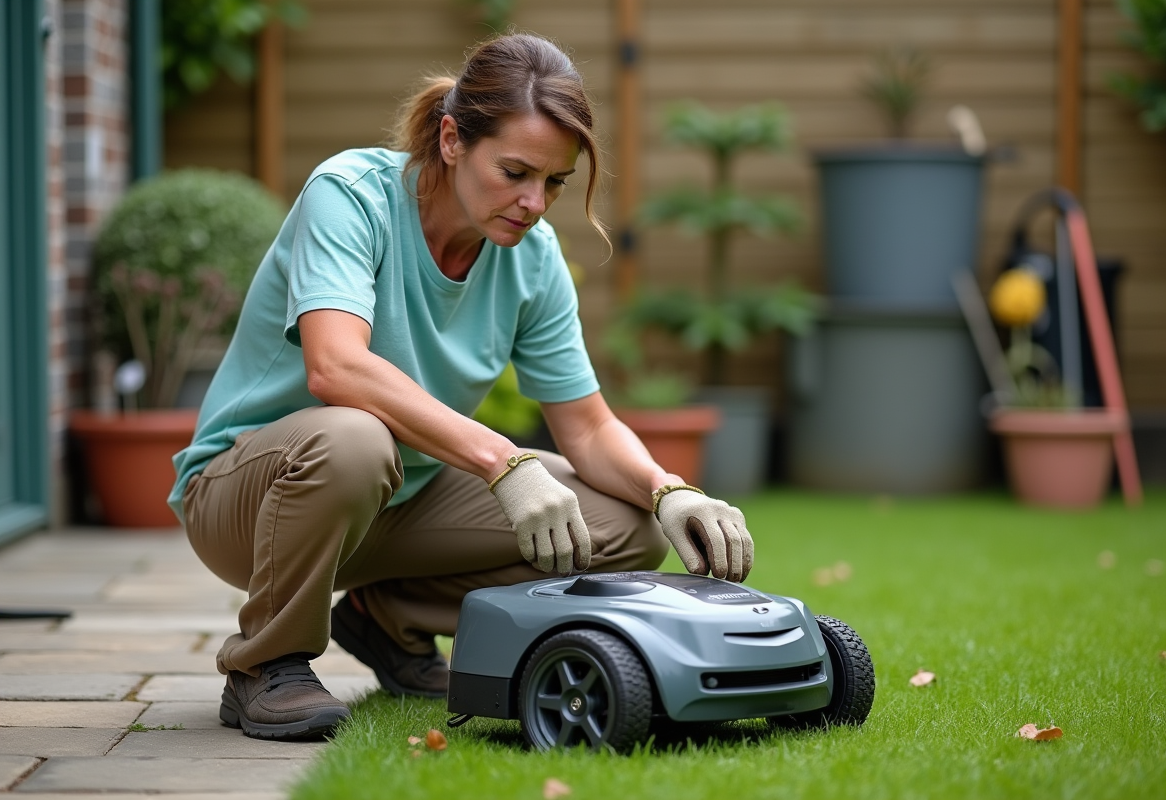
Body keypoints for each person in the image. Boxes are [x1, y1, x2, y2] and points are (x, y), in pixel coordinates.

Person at [168, 32, 754, 742]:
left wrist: (668, 492)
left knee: (624, 529)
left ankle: (387, 618)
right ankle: (266, 664)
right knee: (355, 438)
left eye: (555, 182)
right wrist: (503, 461)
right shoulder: (351, 196)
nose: (534, 202)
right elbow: (336, 368)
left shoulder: (532, 258)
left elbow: (588, 426)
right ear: (451, 140)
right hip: (250, 496)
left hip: (399, 498)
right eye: (515, 172)